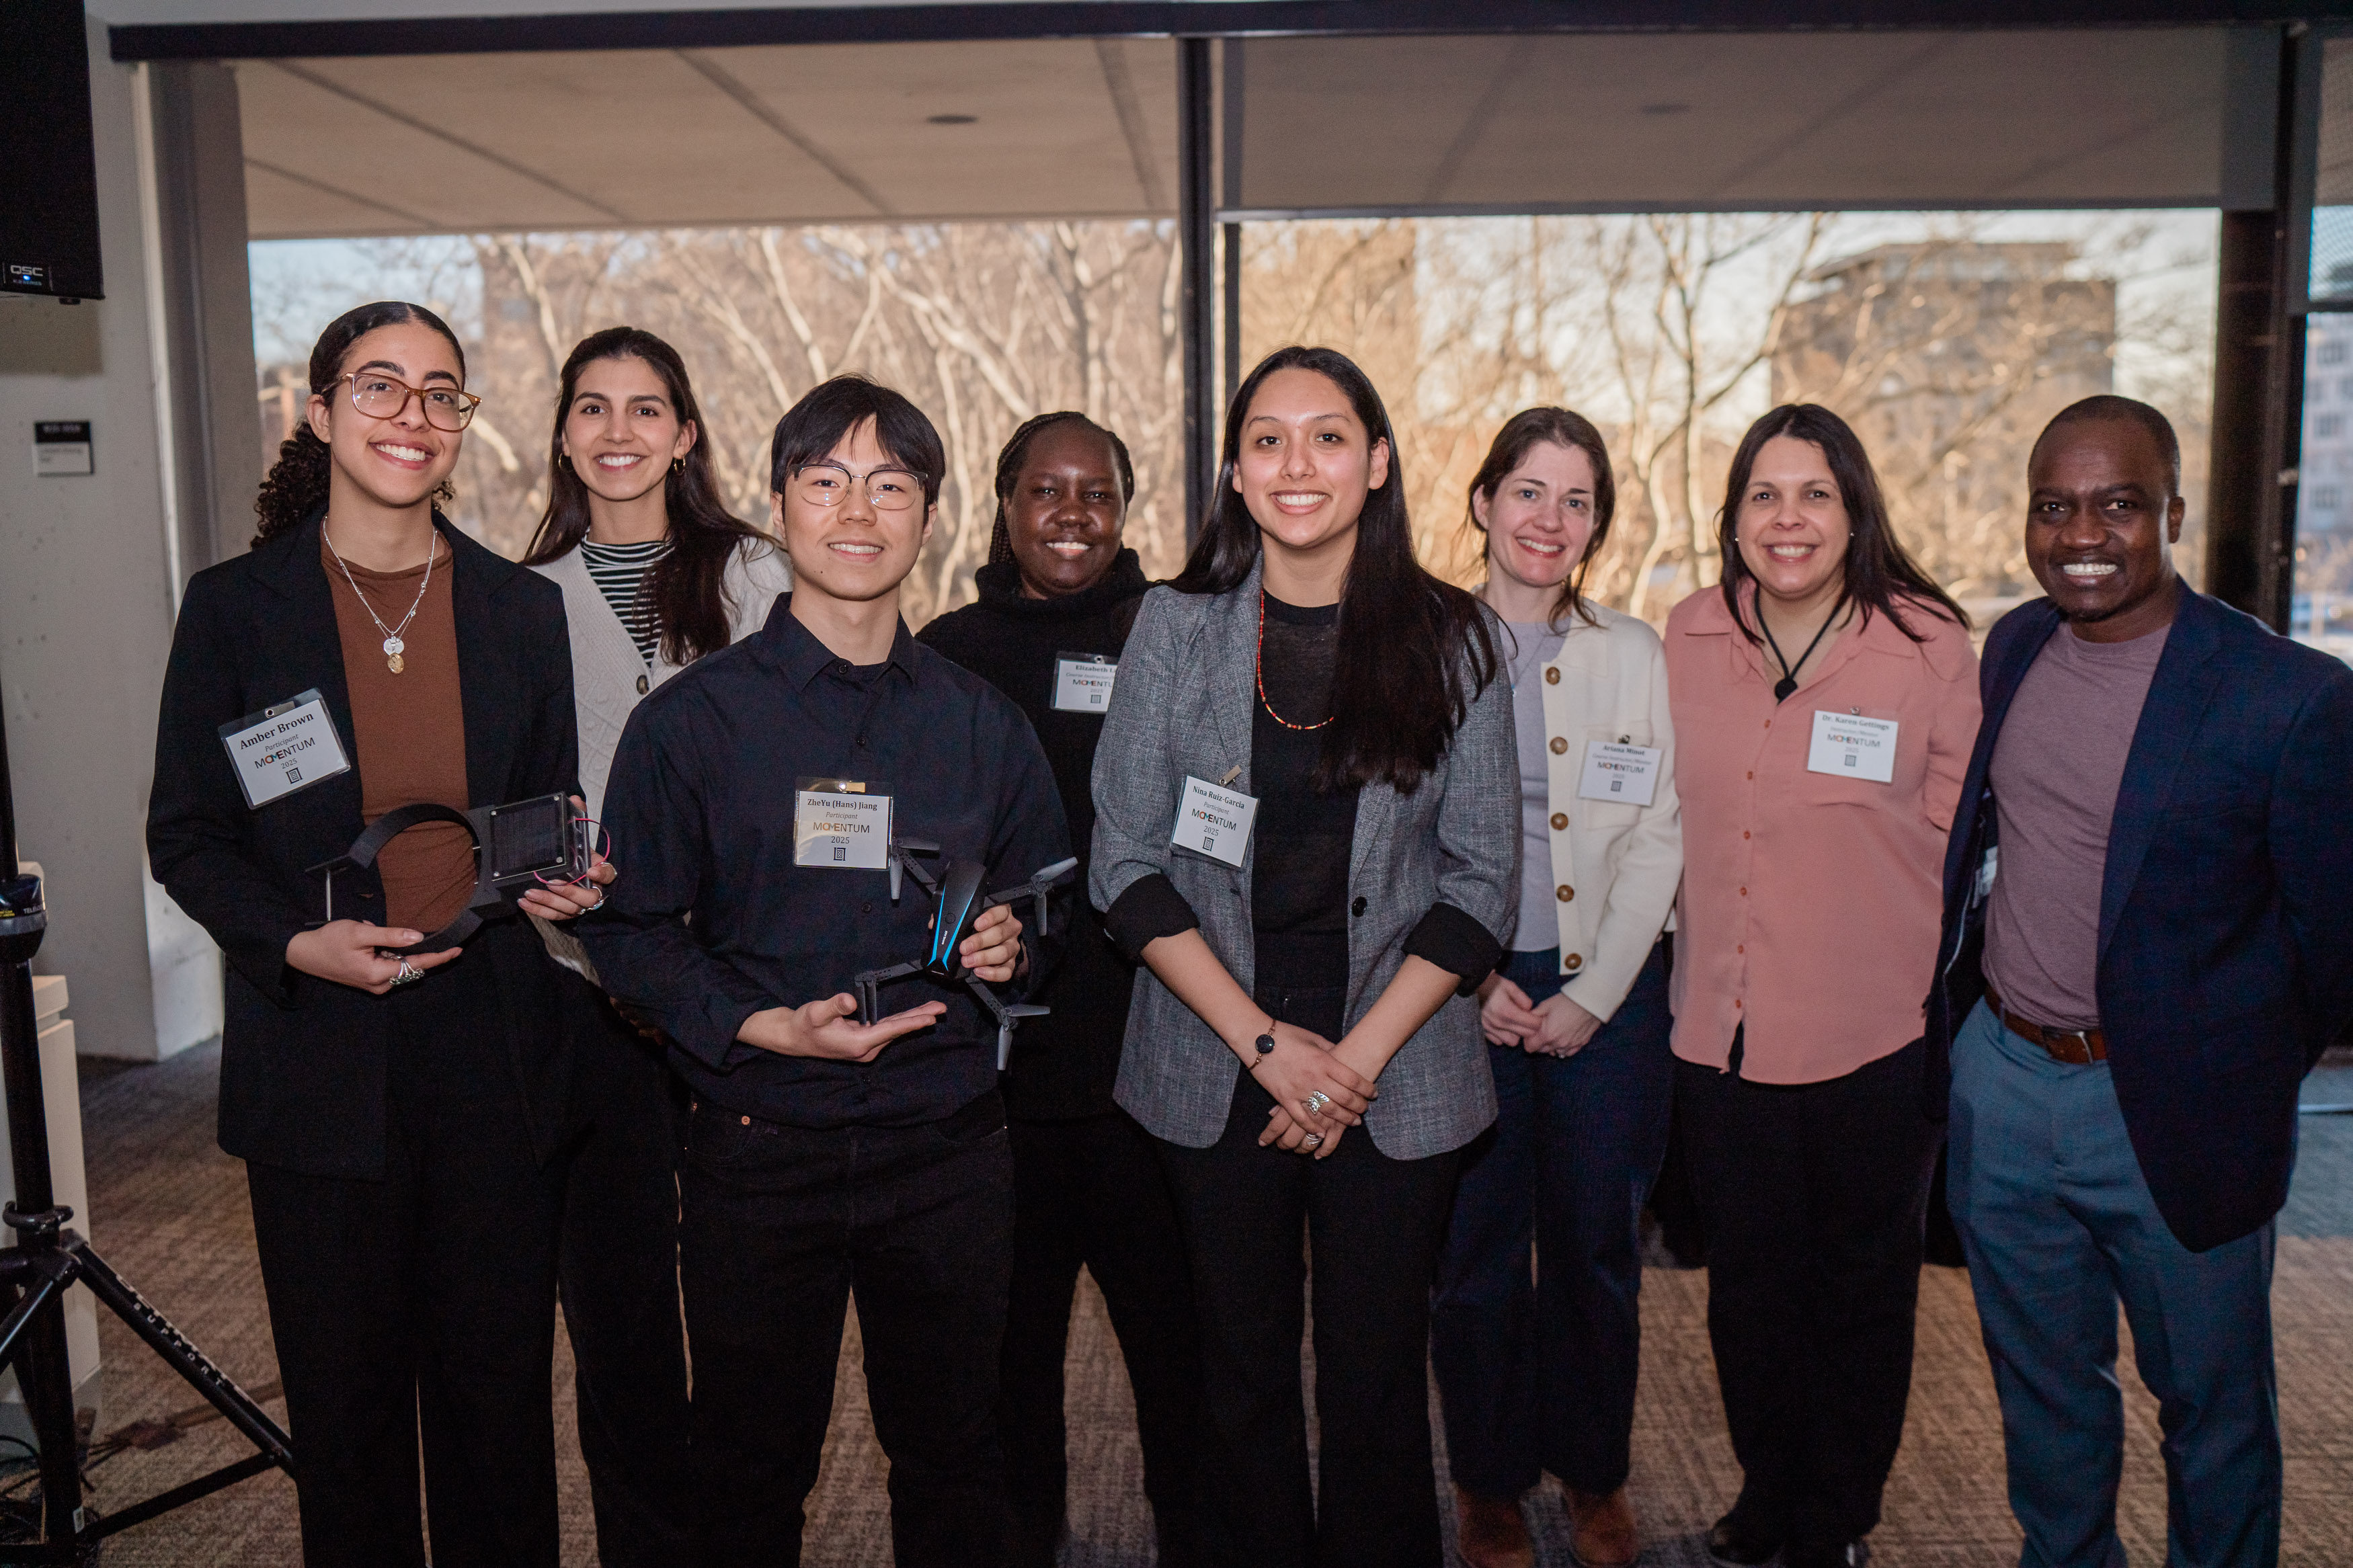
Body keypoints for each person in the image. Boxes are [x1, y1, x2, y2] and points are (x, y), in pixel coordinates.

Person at [147, 300, 612, 1567]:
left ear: (464, 422)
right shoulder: (238, 608)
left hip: (493, 1045)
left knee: (496, 1411)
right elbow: (185, 833)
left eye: (442, 392)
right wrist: (296, 943)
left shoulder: (521, 609)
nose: (414, 415)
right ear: (320, 412)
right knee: (349, 1426)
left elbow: (541, 809)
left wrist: (561, 876)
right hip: (319, 1046)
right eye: (381, 386)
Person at [577, 374, 1071, 1568]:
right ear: (781, 502)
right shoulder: (690, 725)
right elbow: (629, 929)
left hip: (949, 1149)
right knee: (748, 1472)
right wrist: (758, 1027)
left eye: (891, 484)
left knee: (956, 1460)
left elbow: (1043, 899)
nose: (859, 509)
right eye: (827, 479)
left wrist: (1010, 942)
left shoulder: (982, 722)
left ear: (931, 515)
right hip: (758, 1146)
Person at [1088, 345, 1517, 1568]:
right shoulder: (1173, 627)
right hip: (1215, 1054)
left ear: (1378, 463)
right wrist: (1269, 1047)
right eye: (1267, 439)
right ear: (1234, 467)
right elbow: (1124, 856)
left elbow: (1484, 878)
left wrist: (1348, 1065)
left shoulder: (1457, 638)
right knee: (1239, 1375)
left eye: (1329, 436)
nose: (1297, 463)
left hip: (1399, 1064)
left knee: (1380, 1385)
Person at [1929, 396, 2353, 1568]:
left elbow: (2334, 947)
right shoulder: (2013, 645)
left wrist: (2239, 1063)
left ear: (2171, 510)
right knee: (2045, 1399)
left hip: (2175, 1110)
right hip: (2004, 1086)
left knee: (2212, 1414)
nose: (2084, 533)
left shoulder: (2289, 695)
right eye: (2055, 506)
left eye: (2117, 504)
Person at [1665, 403, 1980, 1568]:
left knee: (1861, 1291)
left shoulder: (1929, 645)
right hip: (1719, 1033)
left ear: (1855, 511)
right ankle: (1767, 1486)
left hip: (1871, 1036)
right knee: (1746, 1289)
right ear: (1734, 514)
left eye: (1814, 495)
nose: (1787, 519)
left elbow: (1958, 841)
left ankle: (1834, 1512)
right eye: (1763, 494)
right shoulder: (1687, 634)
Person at [520, 325, 791, 1565]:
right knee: (619, 1310)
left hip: (742, 989)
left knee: (748, 1306)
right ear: (566, 433)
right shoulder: (519, 597)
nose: (619, 433)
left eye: (647, 410)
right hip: (585, 998)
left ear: (687, 434)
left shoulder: (758, 575)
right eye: (593, 409)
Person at [916, 412, 1202, 1567]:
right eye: (1048, 490)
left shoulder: (1181, 634)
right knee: (1006, 1354)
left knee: (1183, 1350)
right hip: (1001, 1079)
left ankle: (1202, 1535)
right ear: (1004, 500)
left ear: (1127, 507)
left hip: (1158, 1063)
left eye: (1097, 492)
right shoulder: (943, 649)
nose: (1073, 514)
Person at [1429, 409, 1681, 1568]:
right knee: (1475, 1248)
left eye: (1578, 501)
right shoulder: (1418, 644)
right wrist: (1470, 975)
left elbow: (1657, 835)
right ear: (1483, 502)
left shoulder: (1632, 651)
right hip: (1452, 988)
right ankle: (1487, 1479)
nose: (1551, 520)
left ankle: (1594, 1471)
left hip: (1606, 989)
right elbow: (1394, 836)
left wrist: (1593, 992)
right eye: (1530, 492)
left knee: (1593, 1244)